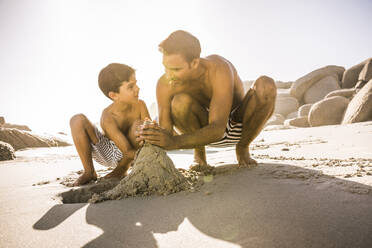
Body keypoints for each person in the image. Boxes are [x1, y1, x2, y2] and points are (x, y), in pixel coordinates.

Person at [137, 30, 277, 169]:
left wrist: (174, 142)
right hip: (199, 133)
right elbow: (166, 134)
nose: (169, 75)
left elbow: (217, 129)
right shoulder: (164, 84)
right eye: (165, 67)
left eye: (176, 69)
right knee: (179, 101)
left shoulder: (219, 68)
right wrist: (151, 135)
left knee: (266, 85)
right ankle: (199, 156)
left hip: (240, 128)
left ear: (194, 63)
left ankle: (242, 149)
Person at [70, 63, 151, 186]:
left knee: (140, 125)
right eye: (131, 86)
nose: (137, 88)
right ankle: (89, 172)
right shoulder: (108, 116)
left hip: (134, 153)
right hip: (109, 152)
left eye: (136, 83)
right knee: (77, 120)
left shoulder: (140, 105)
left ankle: (123, 168)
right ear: (114, 95)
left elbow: (150, 136)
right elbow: (127, 150)